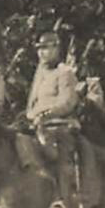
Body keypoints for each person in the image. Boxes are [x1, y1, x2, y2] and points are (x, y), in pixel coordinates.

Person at [25, 28, 83, 197]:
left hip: (59, 124)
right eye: (40, 49)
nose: (43, 53)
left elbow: (67, 103)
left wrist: (45, 115)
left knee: (61, 160)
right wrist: (32, 116)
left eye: (47, 48)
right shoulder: (40, 75)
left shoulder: (65, 72)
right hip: (36, 124)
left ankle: (62, 198)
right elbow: (31, 104)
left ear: (57, 49)